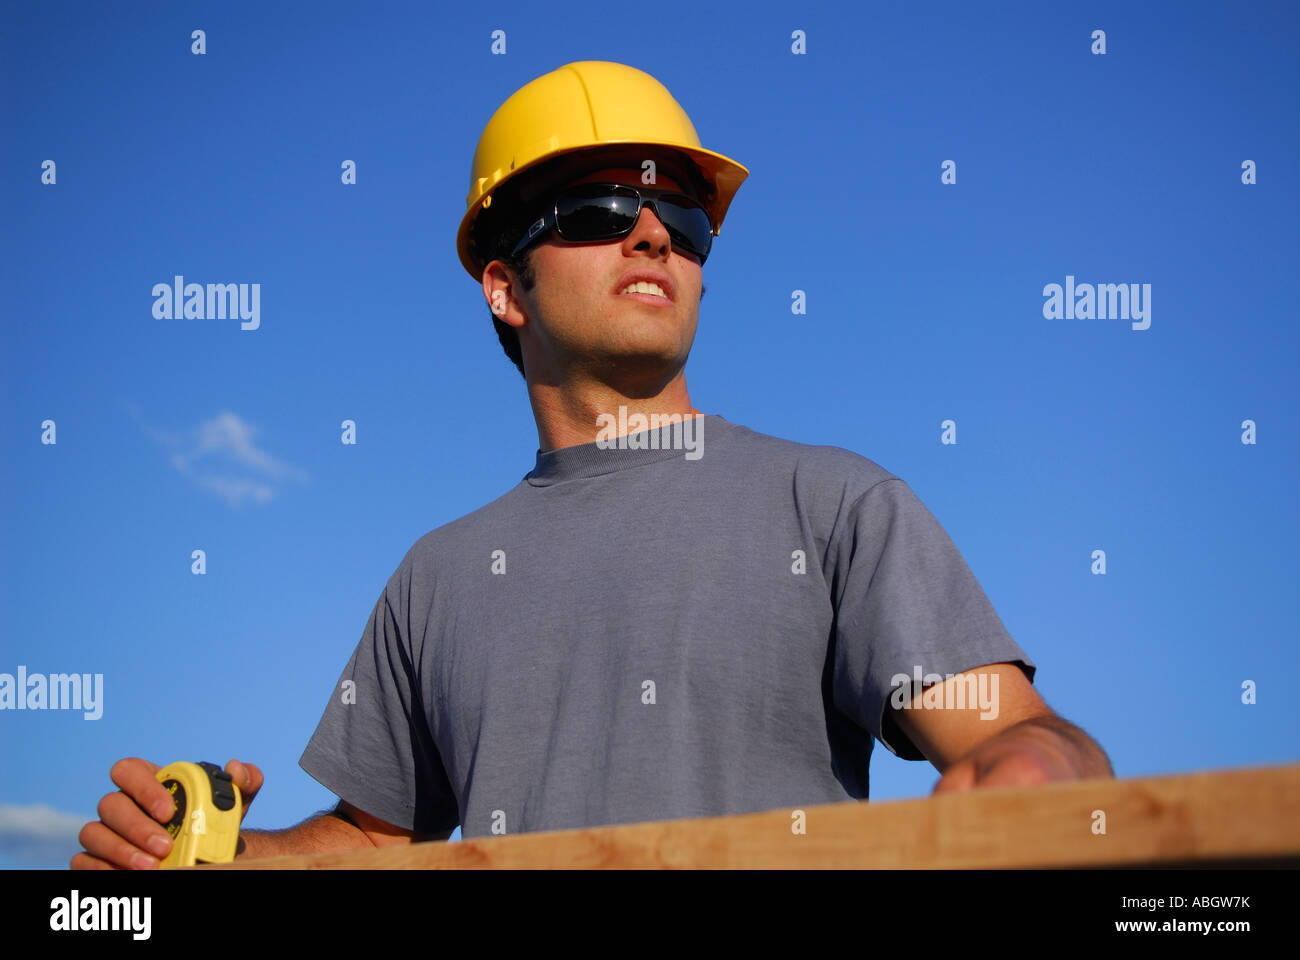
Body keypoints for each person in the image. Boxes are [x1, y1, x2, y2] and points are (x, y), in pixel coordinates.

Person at [72, 60, 1111, 869]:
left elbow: (1023, 737)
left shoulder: (832, 506)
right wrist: (224, 852)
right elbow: (376, 839)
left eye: (685, 219)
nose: (654, 232)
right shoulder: (435, 576)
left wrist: (1037, 768)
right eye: (599, 210)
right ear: (504, 287)